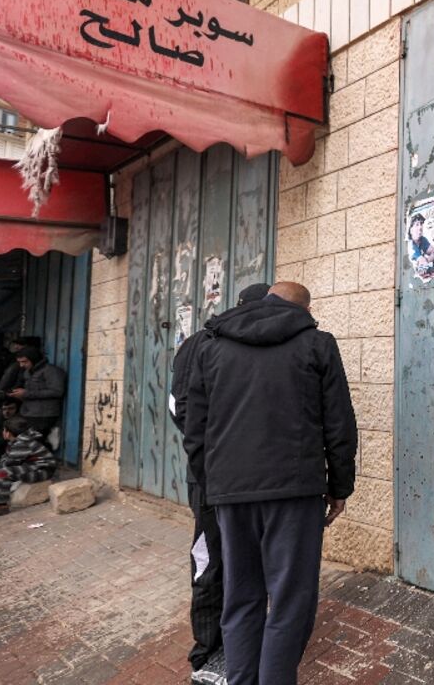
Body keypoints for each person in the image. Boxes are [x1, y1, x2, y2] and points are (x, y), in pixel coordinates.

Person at [183, 281, 357, 685]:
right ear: (305, 309)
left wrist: (213, 486)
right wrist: (340, 486)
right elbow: (339, 423)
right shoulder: (316, 343)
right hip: (295, 493)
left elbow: (196, 430)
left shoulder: (210, 346)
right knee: (290, 601)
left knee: (240, 597)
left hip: (231, 492)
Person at [169, 282, 271, 683]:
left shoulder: (199, 343)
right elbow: (185, 410)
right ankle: (210, 652)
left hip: (214, 474)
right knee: (215, 557)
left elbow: (180, 410)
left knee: (220, 557)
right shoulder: (207, 344)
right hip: (229, 476)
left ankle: (225, 646)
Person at [0, 415, 56, 520]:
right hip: (30, 466)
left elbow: (9, 464)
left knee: (2, 473)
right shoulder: (18, 440)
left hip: (42, 470)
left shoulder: (23, 443)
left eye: (3, 430)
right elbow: (7, 460)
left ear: (8, 433)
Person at [9, 346, 66, 438]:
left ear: (34, 359)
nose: (21, 365)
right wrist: (19, 395)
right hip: (28, 413)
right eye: (19, 362)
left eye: (24, 361)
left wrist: (26, 393)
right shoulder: (28, 372)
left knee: (34, 443)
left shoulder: (51, 371)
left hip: (43, 415)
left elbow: (57, 391)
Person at [408, 213, 434, 278]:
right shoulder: (410, 245)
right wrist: (432, 256)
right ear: (411, 230)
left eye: (421, 224)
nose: (420, 227)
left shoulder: (422, 240)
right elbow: (423, 263)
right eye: (417, 225)